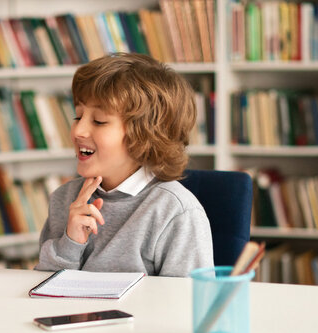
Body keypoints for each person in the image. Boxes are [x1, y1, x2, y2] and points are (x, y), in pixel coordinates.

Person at [35, 53, 213, 276]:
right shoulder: (64, 199)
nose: (78, 131)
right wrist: (70, 243)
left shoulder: (176, 212)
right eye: (78, 117)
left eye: (99, 121)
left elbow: (189, 304)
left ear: (144, 135)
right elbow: (42, 292)